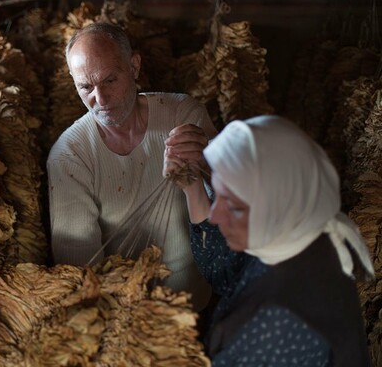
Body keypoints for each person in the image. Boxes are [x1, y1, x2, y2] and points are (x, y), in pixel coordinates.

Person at [171, 115, 374, 365]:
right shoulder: (304, 237)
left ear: (276, 204)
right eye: (219, 193)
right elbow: (228, 273)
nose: (215, 216)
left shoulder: (277, 322)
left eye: (233, 206)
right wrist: (193, 188)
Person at [47, 22, 216, 311]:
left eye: (110, 81)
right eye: (85, 87)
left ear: (134, 66)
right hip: (126, 314)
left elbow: (233, 205)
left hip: (199, 299)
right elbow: (80, 270)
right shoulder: (70, 156)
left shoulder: (182, 116)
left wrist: (210, 165)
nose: (99, 100)